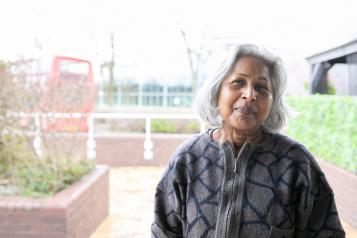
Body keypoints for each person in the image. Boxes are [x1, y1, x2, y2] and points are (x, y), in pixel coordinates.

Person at [151, 44, 345, 238]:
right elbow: (162, 233)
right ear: (217, 91)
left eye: (262, 87)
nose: (250, 94)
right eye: (238, 82)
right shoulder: (187, 159)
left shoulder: (297, 164)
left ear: (273, 101)